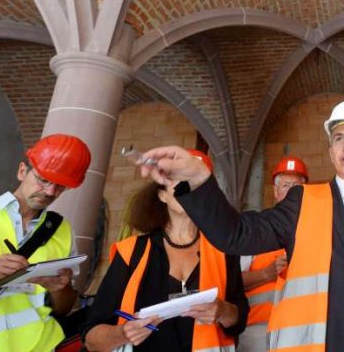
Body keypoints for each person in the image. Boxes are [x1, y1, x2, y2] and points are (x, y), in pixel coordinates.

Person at [138, 99, 344, 351]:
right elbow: (236, 235)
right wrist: (197, 180)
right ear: (330, 151)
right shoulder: (303, 200)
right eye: (338, 138)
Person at [82, 150, 248, 351]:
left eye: (195, 183)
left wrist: (223, 311)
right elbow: (91, 337)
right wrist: (123, 333)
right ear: (161, 195)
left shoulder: (223, 248)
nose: (188, 190)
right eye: (179, 180)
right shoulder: (132, 252)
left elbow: (239, 320)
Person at [0, 134, 91, 351]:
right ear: (23, 171)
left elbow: (64, 308)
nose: (50, 192)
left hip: (45, 345)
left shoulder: (62, 230)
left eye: (60, 186)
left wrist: (60, 288)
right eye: (43, 180)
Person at [238, 156, 307, 351]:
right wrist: (266, 273)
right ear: (276, 191)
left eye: (297, 186)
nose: (292, 191)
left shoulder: (317, 231)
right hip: (257, 331)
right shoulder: (256, 229)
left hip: (301, 329)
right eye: (286, 185)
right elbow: (233, 282)